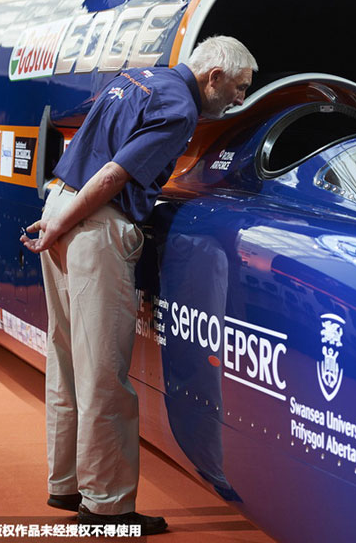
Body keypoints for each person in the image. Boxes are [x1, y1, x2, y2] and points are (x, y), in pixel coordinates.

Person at [20, 36, 257, 534]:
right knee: (105, 371)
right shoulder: (179, 109)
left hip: (59, 205)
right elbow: (112, 175)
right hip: (90, 225)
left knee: (64, 358)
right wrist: (65, 228)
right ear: (213, 77)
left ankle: (65, 483)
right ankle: (106, 506)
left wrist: (57, 220)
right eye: (238, 88)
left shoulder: (140, 78)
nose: (240, 99)